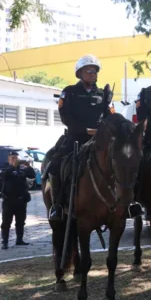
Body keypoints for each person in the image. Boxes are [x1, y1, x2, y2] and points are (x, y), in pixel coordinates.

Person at [48, 54, 114, 222]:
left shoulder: (103, 94)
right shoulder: (69, 92)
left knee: (124, 161)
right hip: (75, 138)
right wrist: (85, 130)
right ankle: (57, 206)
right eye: (89, 71)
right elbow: (65, 116)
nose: (93, 74)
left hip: (99, 140)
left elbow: (110, 116)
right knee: (55, 165)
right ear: (79, 73)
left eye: (95, 71)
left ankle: (126, 204)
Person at [1, 151, 35, 249]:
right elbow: (4, 176)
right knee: (6, 222)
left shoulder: (22, 169)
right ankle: (5, 241)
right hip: (9, 201)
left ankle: (19, 239)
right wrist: (12, 167)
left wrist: (28, 166)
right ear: (9, 159)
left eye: (16, 158)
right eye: (12, 158)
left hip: (21, 200)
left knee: (20, 221)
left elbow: (32, 176)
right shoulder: (6, 169)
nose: (15, 160)